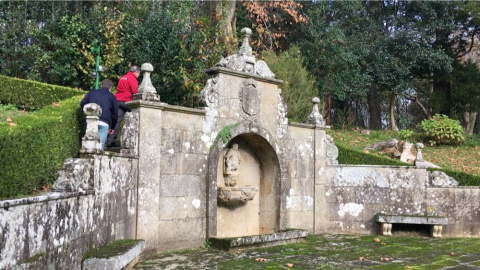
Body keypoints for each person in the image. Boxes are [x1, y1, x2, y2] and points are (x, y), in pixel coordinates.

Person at [106, 65, 140, 147]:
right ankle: (133, 139)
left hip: (118, 101)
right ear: (136, 72)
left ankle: (111, 140)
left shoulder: (123, 77)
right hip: (127, 101)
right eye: (139, 73)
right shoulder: (132, 78)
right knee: (138, 116)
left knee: (116, 122)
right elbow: (135, 91)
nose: (138, 75)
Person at [80, 79, 119, 151]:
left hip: (91, 120)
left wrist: (87, 114)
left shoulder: (92, 92)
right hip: (104, 122)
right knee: (100, 146)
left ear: (101, 85)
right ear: (110, 88)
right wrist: (112, 127)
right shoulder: (112, 97)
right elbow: (115, 113)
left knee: (89, 143)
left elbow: (83, 103)